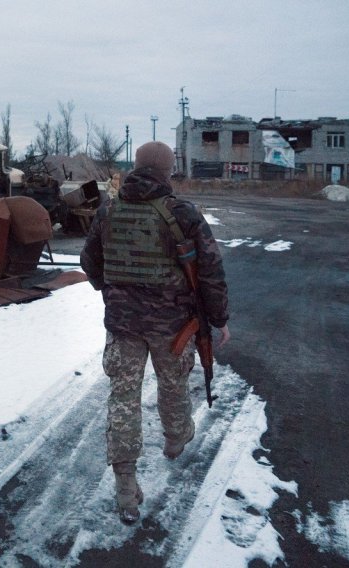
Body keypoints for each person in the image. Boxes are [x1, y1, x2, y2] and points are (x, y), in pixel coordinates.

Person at [80, 141, 230, 524]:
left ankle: (126, 487)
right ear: (167, 170)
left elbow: (89, 261)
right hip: (172, 326)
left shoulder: (108, 210)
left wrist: (111, 291)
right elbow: (210, 271)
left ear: (137, 167)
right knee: (173, 383)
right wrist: (219, 319)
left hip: (123, 325)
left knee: (123, 398)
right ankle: (176, 438)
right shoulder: (182, 213)